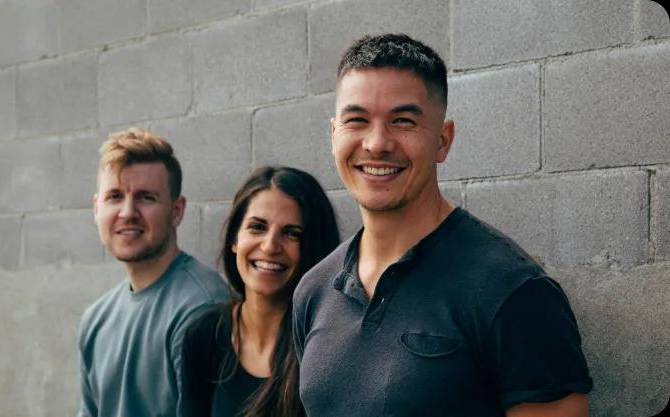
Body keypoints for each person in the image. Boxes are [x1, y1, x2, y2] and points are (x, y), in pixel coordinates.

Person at [292, 34, 593, 417]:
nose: (377, 143)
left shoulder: (513, 292)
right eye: (357, 121)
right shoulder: (313, 291)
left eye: (403, 121)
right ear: (334, 135)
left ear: (443, 141)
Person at [77, 128, 229, 417]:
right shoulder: (95, 320)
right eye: (114, 196)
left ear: (176, 210)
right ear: (97, 208)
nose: (127, 212)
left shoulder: (203, 308)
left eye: (146, 197)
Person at [180, 166, 340, 417]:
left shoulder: (327, 345)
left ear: (313, 247)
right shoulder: (203, 333)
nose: (269, 246)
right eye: (257, 227)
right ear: (235, 240)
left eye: (291, 233)